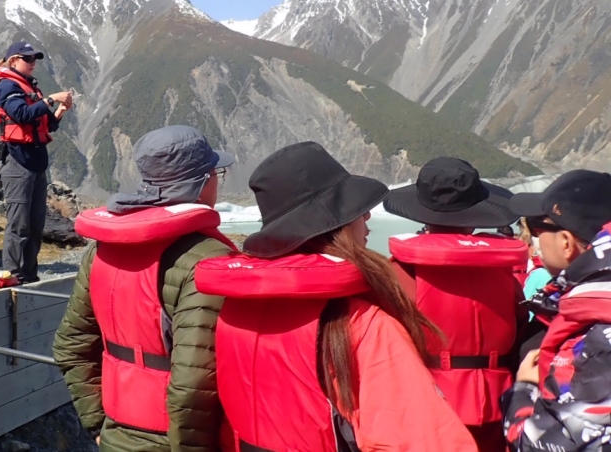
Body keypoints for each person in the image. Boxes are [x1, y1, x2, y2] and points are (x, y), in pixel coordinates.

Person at [195, 142, 478, 452]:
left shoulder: (234, 309)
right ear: (335, 225)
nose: (367, 216)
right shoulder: (359, 323)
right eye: (356, 210)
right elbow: (425, 442)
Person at [52, 125, 236, 452]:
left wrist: (97, 423)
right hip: (173, 442)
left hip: (115, 435)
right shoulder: (207, 259)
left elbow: (71, 344)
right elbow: (193, 383)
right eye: (215, 172)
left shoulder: (102, 250)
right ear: (203, 182)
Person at [382, 157, 527, 451]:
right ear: (476, 218)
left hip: (428, 402)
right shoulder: (503, 273)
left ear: (423, 214)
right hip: (498, 402)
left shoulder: (399, 273)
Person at [501, 170, 611, 451]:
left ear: (566, 242)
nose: (535, 238)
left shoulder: (593, 341)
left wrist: (524, 389)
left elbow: (542, 445)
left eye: (538, 229)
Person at [0, 41, 74, 283]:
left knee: (36, 225)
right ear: (13, 60)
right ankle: (13, 278)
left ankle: (29, 276)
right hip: (18, 162)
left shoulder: (29, 88)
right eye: (28, 59)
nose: (33, 63)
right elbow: (22, 114)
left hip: (37, 162)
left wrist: (60, 109)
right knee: (19, 226)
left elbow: (47, 124)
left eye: (35, 59)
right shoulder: (6, 86)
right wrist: (50, 99)